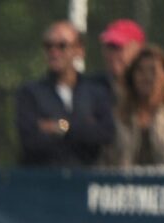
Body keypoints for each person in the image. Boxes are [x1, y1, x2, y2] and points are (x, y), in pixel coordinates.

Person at [16, 20, 115, 167]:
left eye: (62, 46)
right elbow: (30, 140)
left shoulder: (96, 92)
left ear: (79, 50)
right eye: (48, 46)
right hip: (44, 176)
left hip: (86, 175)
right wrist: (84, 126)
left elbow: (105, 133)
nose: (54, 52)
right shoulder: (30, 93)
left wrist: (60, 126)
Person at [102, 45, 164, 168]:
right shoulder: (119, 117)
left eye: (153, 70)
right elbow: (108, 159)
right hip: (125, 178)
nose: (147, 77)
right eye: (140, 71)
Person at [96, 19, 146, 103]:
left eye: (118, 47)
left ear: (138, 50)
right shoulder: (92, 88)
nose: (112, 54)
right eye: (109, 47)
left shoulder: (150, 92)